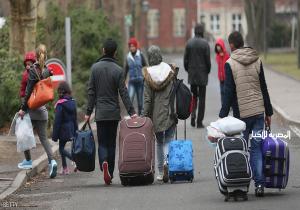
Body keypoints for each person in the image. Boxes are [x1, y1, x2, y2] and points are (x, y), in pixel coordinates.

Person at [219, 31, 273, 197]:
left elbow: (228, 91)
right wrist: (268, 112)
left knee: (241, 148)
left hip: (241, 116)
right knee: (256, 149)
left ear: (232, 45)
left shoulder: (230, 63)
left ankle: (241, 183)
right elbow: (263, 87)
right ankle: (259, 185)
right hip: (258, 112)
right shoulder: (257, 59)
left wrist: (222, 115)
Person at [85, 38, 137, 185]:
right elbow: (124, 92)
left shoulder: (95, 68)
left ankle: (104, 164)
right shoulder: (118, 70)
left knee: (102, 142)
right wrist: (132, 111)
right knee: (112, 144)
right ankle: (111, 173)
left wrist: (88, 112)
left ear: (103, 50)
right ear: (115, 53)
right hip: (113, 113)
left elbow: (91, 92)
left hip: (100, 112)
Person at [18, 45, 58, 179]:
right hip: (43, 110)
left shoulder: (33, 71)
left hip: (32, 110)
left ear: (36, 56)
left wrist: (23, 109)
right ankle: (52, 161)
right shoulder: (46, 70)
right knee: (44, 139)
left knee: (23, 135)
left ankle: (28, 161)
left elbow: (28, 92)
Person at [143, 45, 177, 182]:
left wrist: (144, 116)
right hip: (170, 111)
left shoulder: (148, 75)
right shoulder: (169, 70)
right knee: (169, 140)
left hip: (156, 114)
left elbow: (147, 99)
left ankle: (160, 172)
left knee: (159, 142)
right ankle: (168, 163)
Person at [184, 24, 211, 128]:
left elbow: (185, 60)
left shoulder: (189, 43)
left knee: (194, 97)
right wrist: (207, 71)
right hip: (203, 74)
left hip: (192, 74)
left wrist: (188, 70)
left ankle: (193, 116)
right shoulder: (205, 44)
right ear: (202, 32)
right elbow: (208, 61)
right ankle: (199, 122)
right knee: (202, 98)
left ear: (195, 31)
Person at [52, 81, 78, 175]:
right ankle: (64, 168)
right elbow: (75, 118)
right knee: (61, 147)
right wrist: (76, 130)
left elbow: (57, 121)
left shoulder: (60, 104)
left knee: (61, 149)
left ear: (60, 92)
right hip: (71, 128)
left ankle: (73, 159)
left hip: (63, 130)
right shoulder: (72, 102)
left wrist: (54, 135)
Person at [125, 37, 147, 115]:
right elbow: (126, 69)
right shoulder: (128, 57)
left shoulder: (140, 55)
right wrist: (124, 81)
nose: (132, 48)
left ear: (136, 46)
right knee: (130, 98)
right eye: (130, 46)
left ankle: (141, 116)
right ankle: (131, 115)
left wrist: (145, 77)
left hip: (140, 82)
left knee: (140, 102)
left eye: (133, 46)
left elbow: (145, 66)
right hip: (132, 82)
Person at [215, 38, 230, 106]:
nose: (218, 48)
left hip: (226, 77)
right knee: (222, 91)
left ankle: (228, 105)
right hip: (221, 77)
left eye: (219, 46)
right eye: (217, 46)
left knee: (227, 91)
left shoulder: (226, 55)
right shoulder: (217, 56)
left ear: (222, 46)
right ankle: (223, 105)